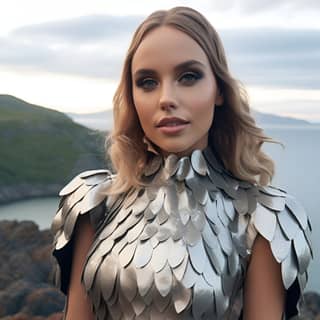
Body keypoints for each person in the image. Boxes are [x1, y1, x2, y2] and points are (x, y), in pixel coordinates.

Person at [51, 6, 313, 320]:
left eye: (188, 76)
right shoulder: (93, 202)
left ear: (218, 89)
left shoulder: (266, 219)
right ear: (132, 96)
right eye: (147, 82)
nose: (166, 98)